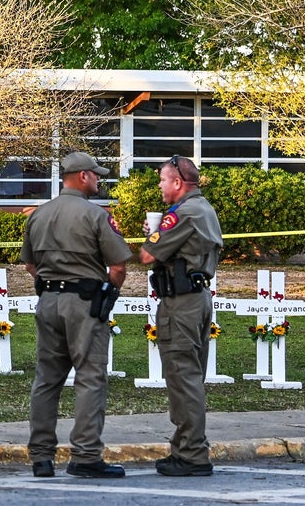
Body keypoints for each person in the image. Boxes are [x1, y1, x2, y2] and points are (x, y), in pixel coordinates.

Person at [20, 151, 132, 479]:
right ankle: (85, 454)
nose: (99, 179)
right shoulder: (95, 215)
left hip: (49, 300)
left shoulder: (38, 215)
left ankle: (41, 456)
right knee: (90, 377)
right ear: (82, 176)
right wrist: (108, 292)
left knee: (47, 379)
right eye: (95, 174)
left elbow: (30, 264)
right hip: (84, 303)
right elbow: (119, 266)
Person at [140, 155, 222, 477]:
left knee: (182, 377)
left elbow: (147, 255)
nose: (159, 185)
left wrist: (155, 235)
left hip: (181, 304)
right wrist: (159, 233)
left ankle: (192, 455)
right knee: (191, 377)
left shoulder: (182, 213)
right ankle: (186, 447)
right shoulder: (203, 208)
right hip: (198, 299)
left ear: (177, 183)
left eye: (162, 180)